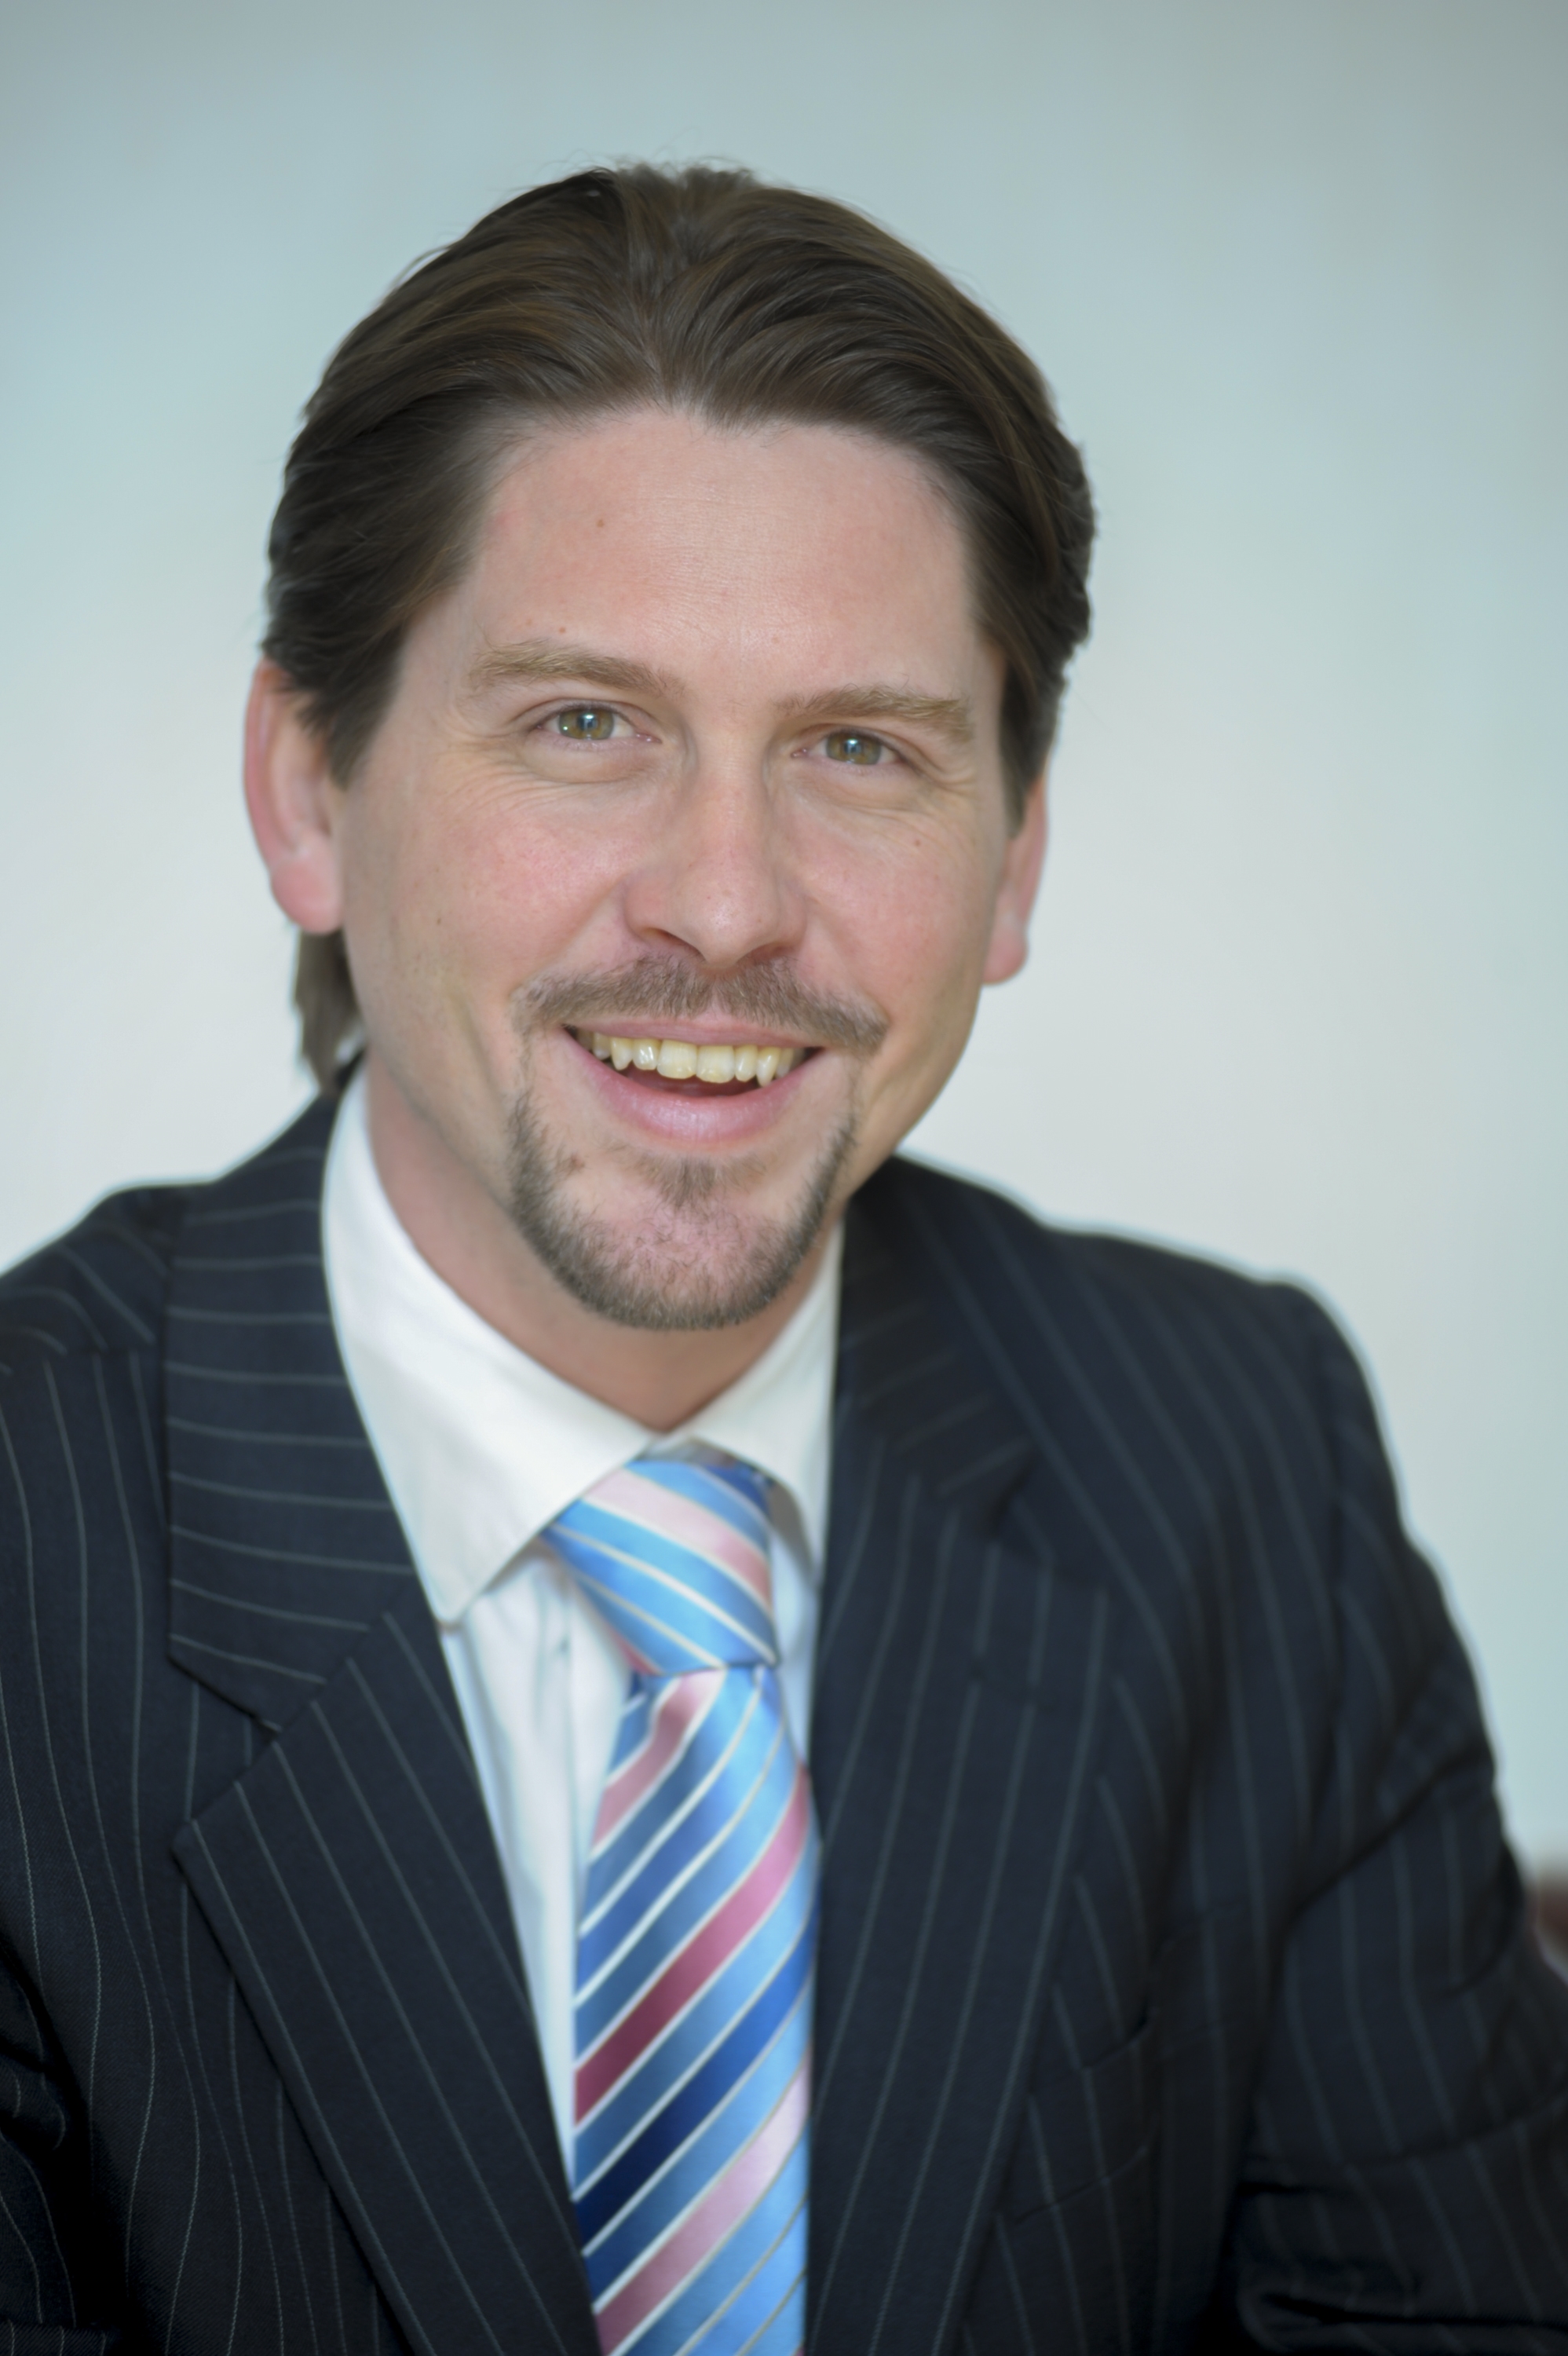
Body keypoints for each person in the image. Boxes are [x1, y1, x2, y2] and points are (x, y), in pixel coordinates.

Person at [0, 163, 1563, 2356]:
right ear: (307, 791)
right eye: (584, 724)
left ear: (1013, 855)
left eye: (858, 748)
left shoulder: (1243, 1466)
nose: (726, 904)